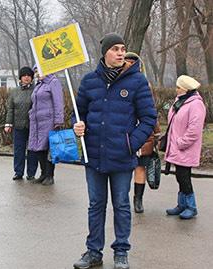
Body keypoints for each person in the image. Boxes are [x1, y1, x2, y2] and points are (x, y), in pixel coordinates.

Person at [72, 34, 157, 269]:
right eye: (115, 49)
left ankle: (121, 251)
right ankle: (93, 252)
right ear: (105, 53)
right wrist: (77, 126)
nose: (120, 53)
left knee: (121, 205)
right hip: (94, 156)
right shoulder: (89, 81)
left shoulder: (137, 81)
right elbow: (77, 114)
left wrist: (131, 143)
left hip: (122, 157)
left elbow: (149, 118)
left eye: (123, 49)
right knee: (95, 205)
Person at [164, 75, 206, 219]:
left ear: (186, 89)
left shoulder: (196, 104)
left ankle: (191, 206)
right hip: (177, 147)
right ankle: (182, 204)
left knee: (184, 177)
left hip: (185, 148)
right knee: (180, 177)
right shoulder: (180, 101)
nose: (176, 90)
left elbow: (194, 129)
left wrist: (181, 142)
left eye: (178, 87)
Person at [124, 52, 161, 214]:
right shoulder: (115, 83)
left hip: (143, 133)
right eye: (126, 62)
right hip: (123, 132)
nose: (129, 65)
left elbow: (150, 111)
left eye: (132, 63)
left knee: (140, 168)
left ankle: (138, 200)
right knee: (123, 170)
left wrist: (157, 132)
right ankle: (121, 200)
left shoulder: (144, 84)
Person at [28, 68, 64, 185]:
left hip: (49, 121)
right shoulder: (38, 85)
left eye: (39, 70)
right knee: (38, 148)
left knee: (49, 148)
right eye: (36, 71)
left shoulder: (53, 82)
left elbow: (58, 102)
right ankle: (43, 174)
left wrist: (58, 121)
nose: (37, 73)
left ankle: (50, 175)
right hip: (36, 122)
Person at [4, 66, 38, 181]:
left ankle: (31, 173)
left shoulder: (36, 90)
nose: (26, 78)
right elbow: (10, 109)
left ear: (32, 78)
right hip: (18, 125)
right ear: (20, 78)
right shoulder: (14, 92)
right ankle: (18, 172)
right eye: (24, 75)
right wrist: (8, 123)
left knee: (32, 150)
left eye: (29, 75)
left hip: (33, 125)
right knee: (19, 150)